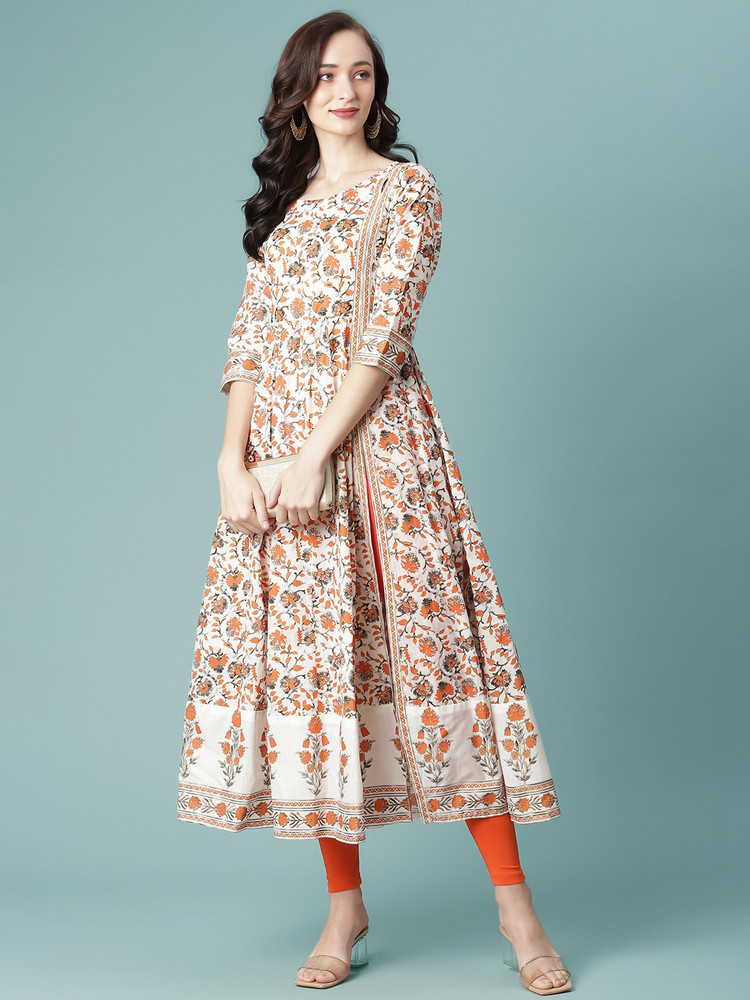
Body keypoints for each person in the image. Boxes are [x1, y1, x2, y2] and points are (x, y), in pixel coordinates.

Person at [177, 11, 572, 995]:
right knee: (319, 674)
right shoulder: (284, 209)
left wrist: (317, 453)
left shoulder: (408, 190)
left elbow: (385, 333)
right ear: (297, 97)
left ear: (377, 89)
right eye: (325, 76)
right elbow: (248, 343)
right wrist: (231, 461)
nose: (345, 90)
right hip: (277, 467)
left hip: (379, 452)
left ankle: (516, 908)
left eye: (361, 73)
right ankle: (344, 908)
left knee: (437, 661)